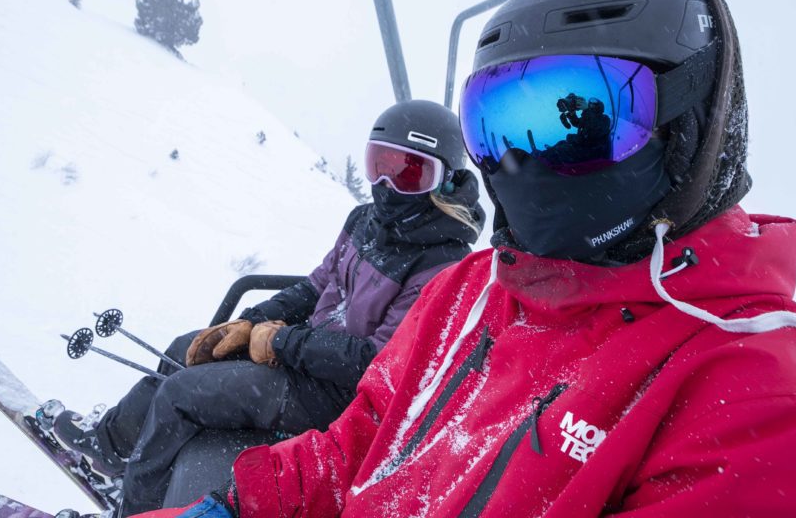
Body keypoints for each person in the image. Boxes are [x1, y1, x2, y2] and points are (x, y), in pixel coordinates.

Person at [134, 0, 796, 518]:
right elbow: (363, 444)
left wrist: (281, 342)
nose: (522, 161)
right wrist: (238, 504)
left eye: (581, 121)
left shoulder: (766, 398)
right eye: (495, 124)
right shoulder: (472, 291)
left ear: (689, 132)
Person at [52, 99, 486, 515]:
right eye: (380, 166)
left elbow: (375, 362)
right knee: (182, 352)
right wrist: (249, 323)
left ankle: (137, 510)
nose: (387, 186)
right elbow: (315, 288)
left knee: (182, 396)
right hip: (302, 360)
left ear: (445, 180)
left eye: (409, 174)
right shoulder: (364, 221)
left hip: (337, 396)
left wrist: (279, 341)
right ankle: (108, 450)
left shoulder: (440, 265)